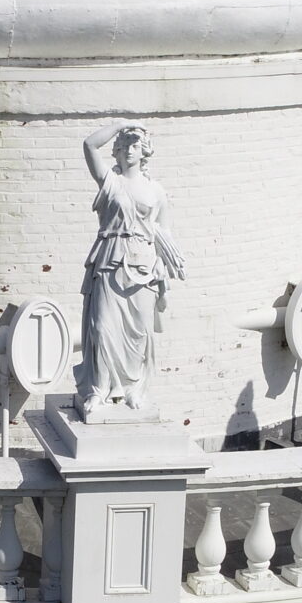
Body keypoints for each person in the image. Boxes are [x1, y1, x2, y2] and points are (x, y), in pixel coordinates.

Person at [79, 121, 186, 412]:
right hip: (110, 258)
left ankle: (133, 389)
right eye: (123, 146)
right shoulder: (110, 181)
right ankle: (98, 390)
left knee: (140, 331)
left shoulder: (156, 191)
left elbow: (165, 233)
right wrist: (118, 127)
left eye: (134, 145)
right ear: (116, 150)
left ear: (144, 151)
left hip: (144, 264)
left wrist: (163, 269)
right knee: (101, 327)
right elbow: (89, 145)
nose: (128, 150)